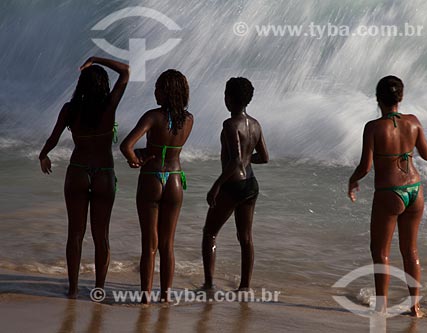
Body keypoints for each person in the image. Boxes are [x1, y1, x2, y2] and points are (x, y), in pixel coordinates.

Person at [39, 56, 129, 298]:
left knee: (75, 234)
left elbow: (53, 138)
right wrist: (96, 59)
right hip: (104, 174)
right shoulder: (110, 105)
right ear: (103, 85)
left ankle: (72, 288)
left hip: (78, 171)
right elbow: (126, 71)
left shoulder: (70, 109)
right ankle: (99, 289)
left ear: (81, 84)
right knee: (102, 235)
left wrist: (43, 156)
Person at [348, 76, 427, 317]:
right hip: (415, 190)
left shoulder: (373, 128)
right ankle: (415, 307)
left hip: (389, 193)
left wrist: (352, 180)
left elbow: (365, 166)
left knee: (380, 252)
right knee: (410, 250)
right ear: (401, 97)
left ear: (377, 99)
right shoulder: (414, 122)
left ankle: (382, 306)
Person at [120, 69, 193, 303]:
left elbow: (126, 145)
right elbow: (170, 148)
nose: (154, 92)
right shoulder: (189, 119)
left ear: (167, 92)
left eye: (158, 88)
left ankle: (145, 298)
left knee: (149, 244)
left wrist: (134, 160)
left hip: (152, 177)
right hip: (174, 178)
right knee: (167, 244)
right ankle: (166, 296)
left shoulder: (152, 116)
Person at [202, 77, 269, 291]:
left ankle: (209, 284)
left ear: (229, 99)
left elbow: (235, 161)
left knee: (210, 233)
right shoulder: (256, 124)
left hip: (233, 185)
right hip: (250, 185)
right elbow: (264, 157)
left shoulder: (230, 124)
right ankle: (245, 286)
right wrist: (248, 159)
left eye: (225, 95)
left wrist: (216, 186)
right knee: (246, 237)